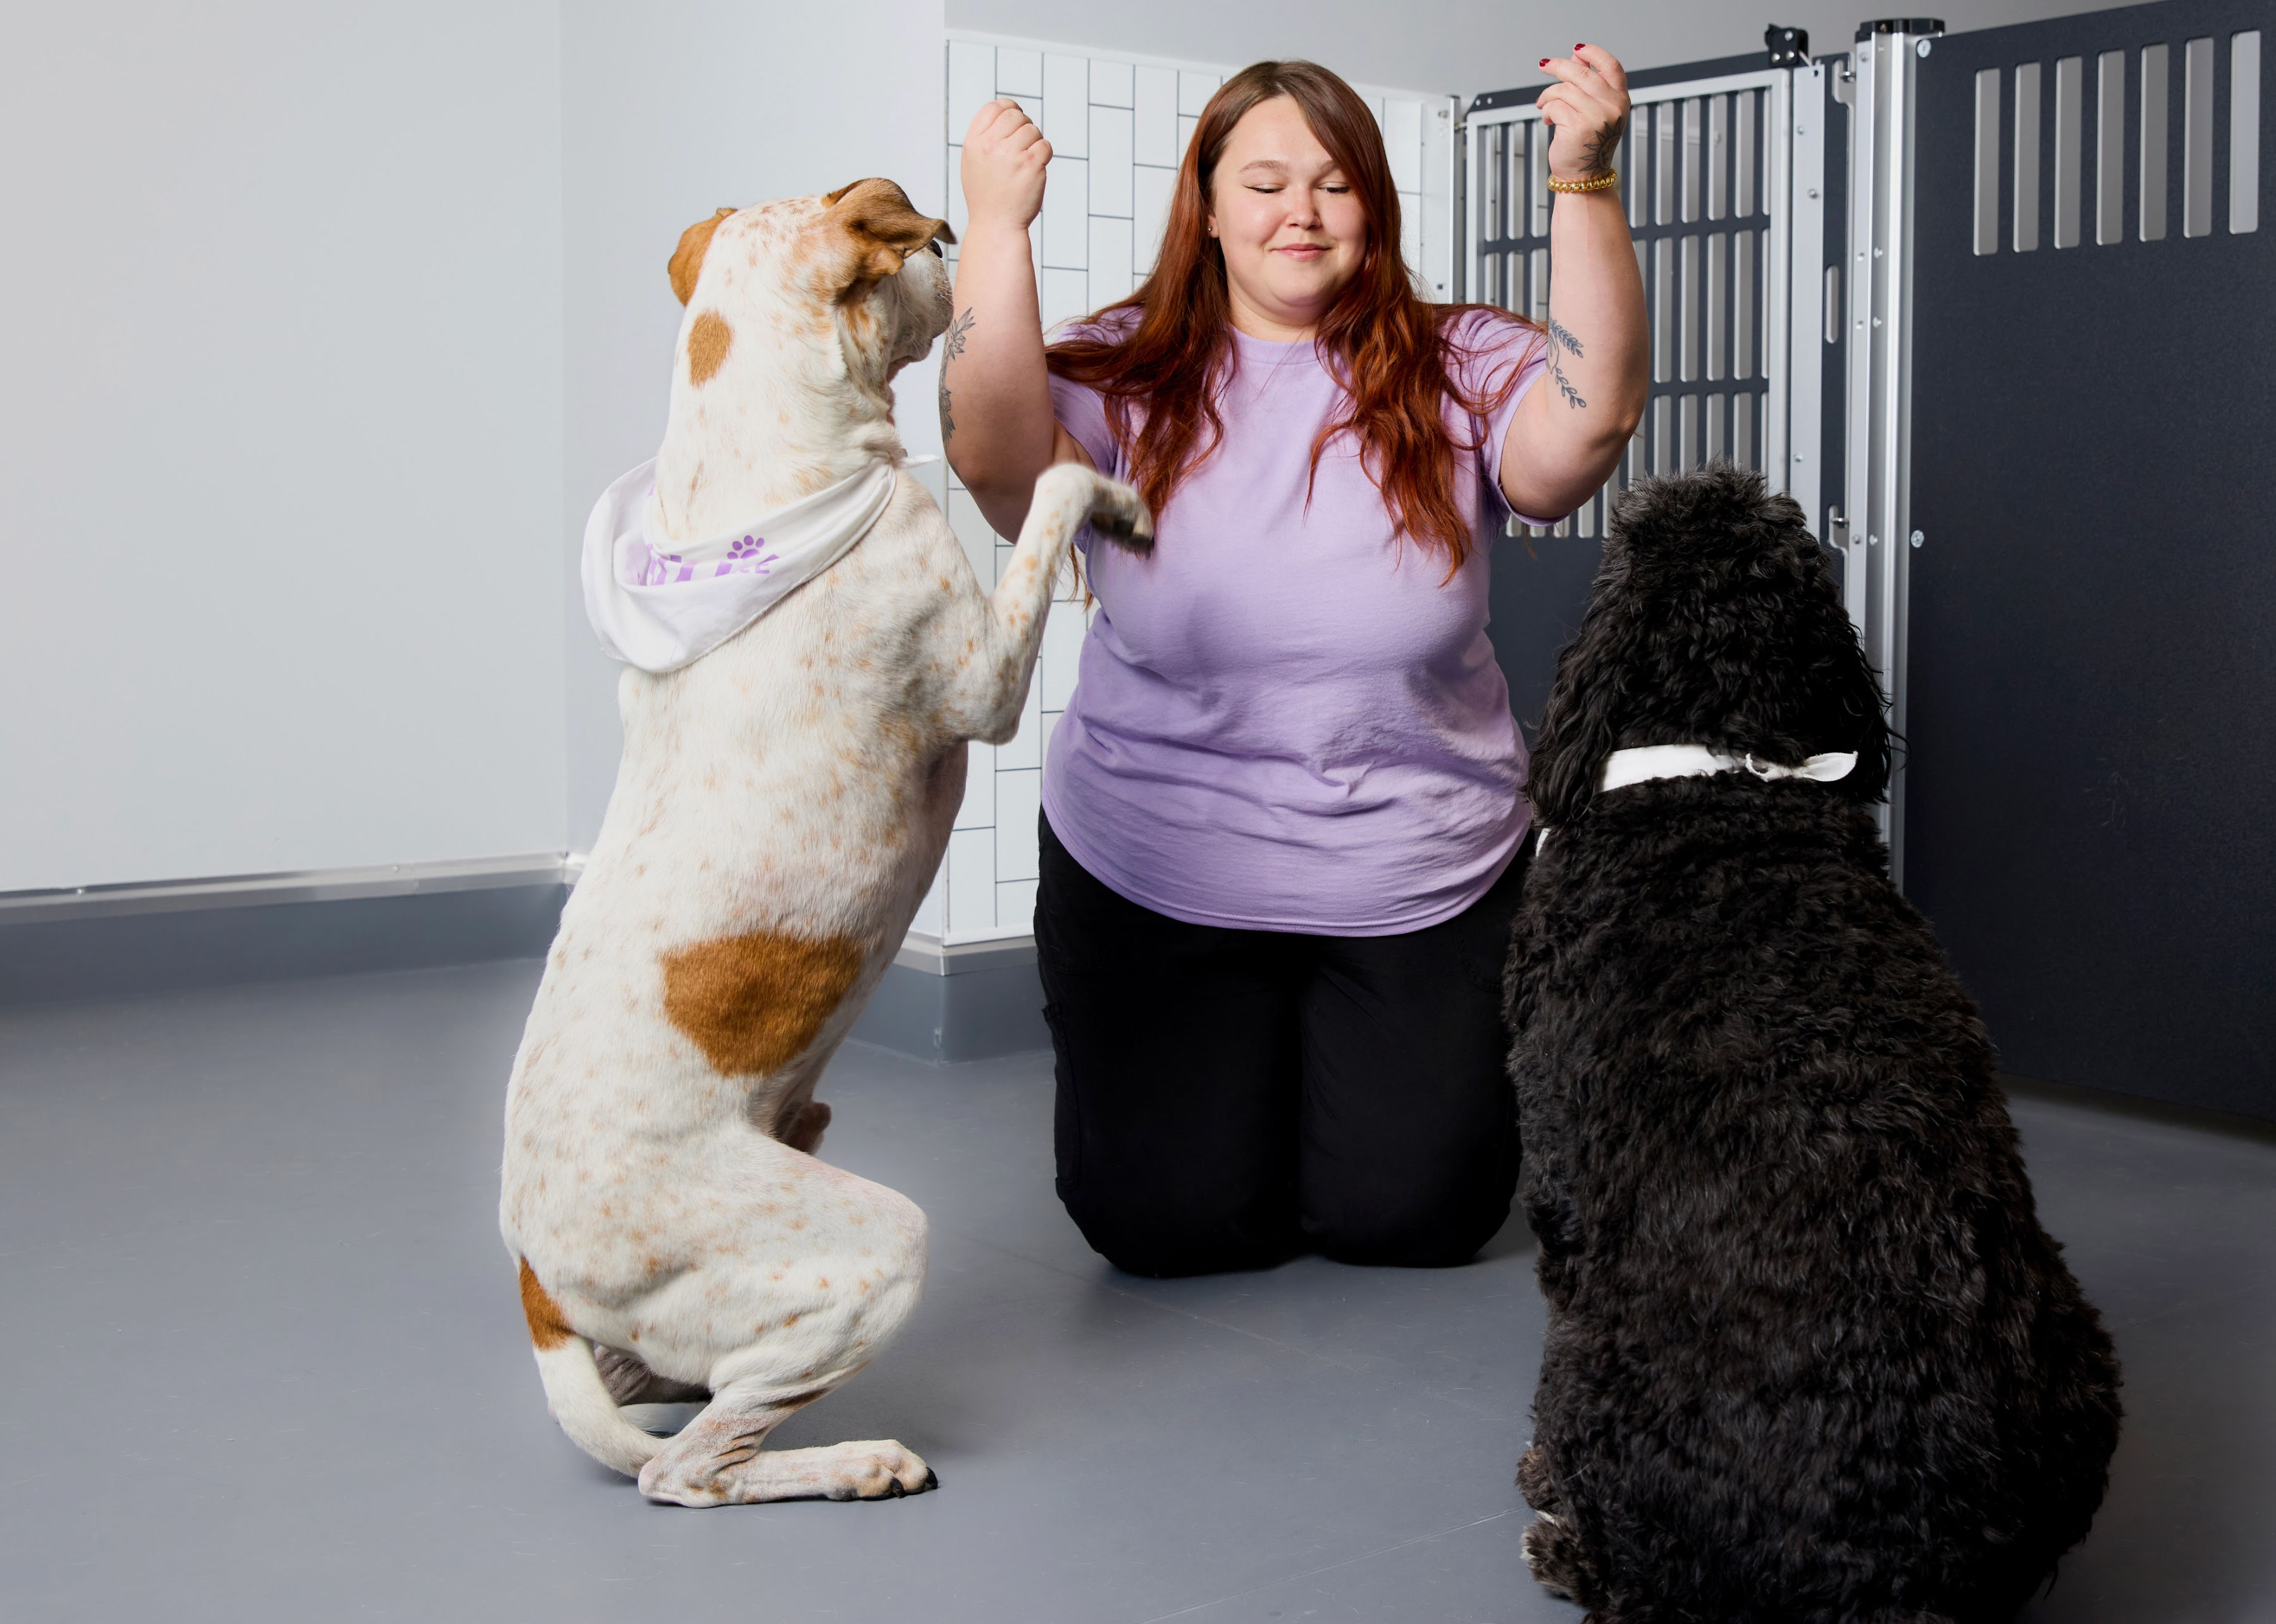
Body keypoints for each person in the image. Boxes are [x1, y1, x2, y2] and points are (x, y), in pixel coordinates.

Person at [944, 52, 1646, 1277]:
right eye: (1264, 184)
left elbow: (1583, 434)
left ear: (1372, 203)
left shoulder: (1458, 360)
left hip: (1419, 868)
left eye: (1332, 184)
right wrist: (998, 229)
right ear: (1208, 208)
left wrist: (1580, 180)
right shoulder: (1120, 370)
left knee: (1411, 1219)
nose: (1300, 214)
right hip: (1156, 862)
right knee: (1165, 1227)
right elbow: (995, 463)